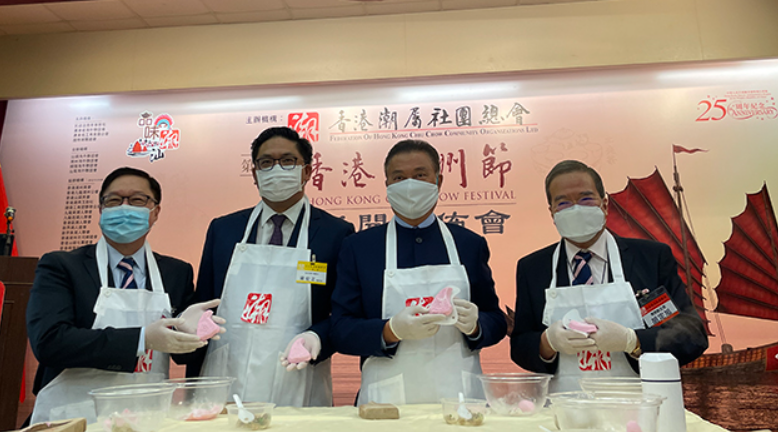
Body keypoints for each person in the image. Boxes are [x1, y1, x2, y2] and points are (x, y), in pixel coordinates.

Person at [26, 167, 224, 424]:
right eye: (114, 200)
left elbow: (183, 356)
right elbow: (50, 342)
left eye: (138, 200)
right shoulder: (62, 266)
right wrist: (142, 339)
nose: (125, 207)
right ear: (101, 209)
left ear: (155, 212)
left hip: (148, 415)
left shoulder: (176, 272)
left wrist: (194, 334)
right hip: (74, 415)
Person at [331, 139, 507, 405]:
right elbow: (340, 329)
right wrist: (389, 330)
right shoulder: (359, 247)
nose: (409, 185)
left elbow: (496, 319)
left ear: (438, 181)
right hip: (385, 399)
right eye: (399, 177)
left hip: (459, 397)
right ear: (387, 185)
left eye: (420, 175)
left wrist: (476, 326)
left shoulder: (469, 244)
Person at [510, 160, 708, 393]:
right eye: (563, 203)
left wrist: (631, 341)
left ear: (604, 205)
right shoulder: (533, 268)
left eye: (586, 199)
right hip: (565, 405)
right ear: (552, 212)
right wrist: (547, 343)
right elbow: (520, 345)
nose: (575, 209)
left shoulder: (651, 258)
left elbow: (691, 335)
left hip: (642, 404)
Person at [192, 126, 355, 407]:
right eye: (266, 162)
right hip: (227, 374)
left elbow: (343, 313)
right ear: (255, 174)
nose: (276, 169)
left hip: (297, 375)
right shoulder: (224, 229)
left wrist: (317, 337)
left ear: (307, 171)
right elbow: (204, 302)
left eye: (288, 161)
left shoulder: (336, 233)